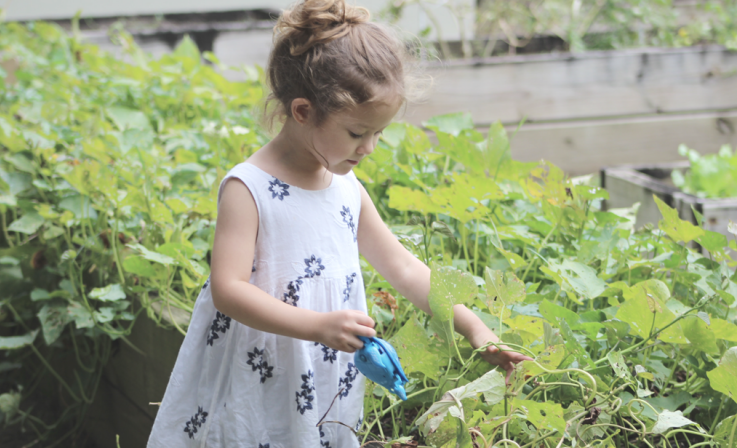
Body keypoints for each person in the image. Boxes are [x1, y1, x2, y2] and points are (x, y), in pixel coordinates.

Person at [146, 0, 530, 446]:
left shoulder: (345, 189)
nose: (368, 148)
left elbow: (403, 268)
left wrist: (474, 327)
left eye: (378, 133)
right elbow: (227, 290)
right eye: (356, 133)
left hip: (323, 373)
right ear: (303, 111)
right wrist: (316, 326)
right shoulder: (248, 188)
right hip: (261, 366)